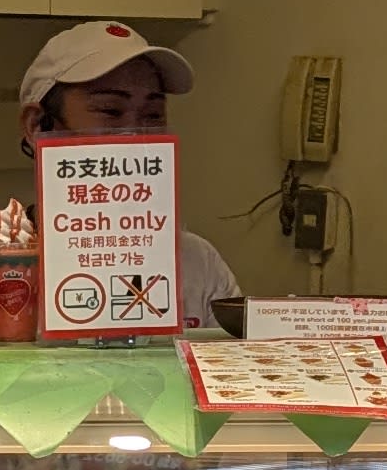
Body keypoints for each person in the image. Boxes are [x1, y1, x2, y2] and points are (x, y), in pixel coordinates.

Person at [16, 19, 239, 331]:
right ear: (38, 125)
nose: (136, 136)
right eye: (110, 110)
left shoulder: (197, 262)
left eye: (153, 116)